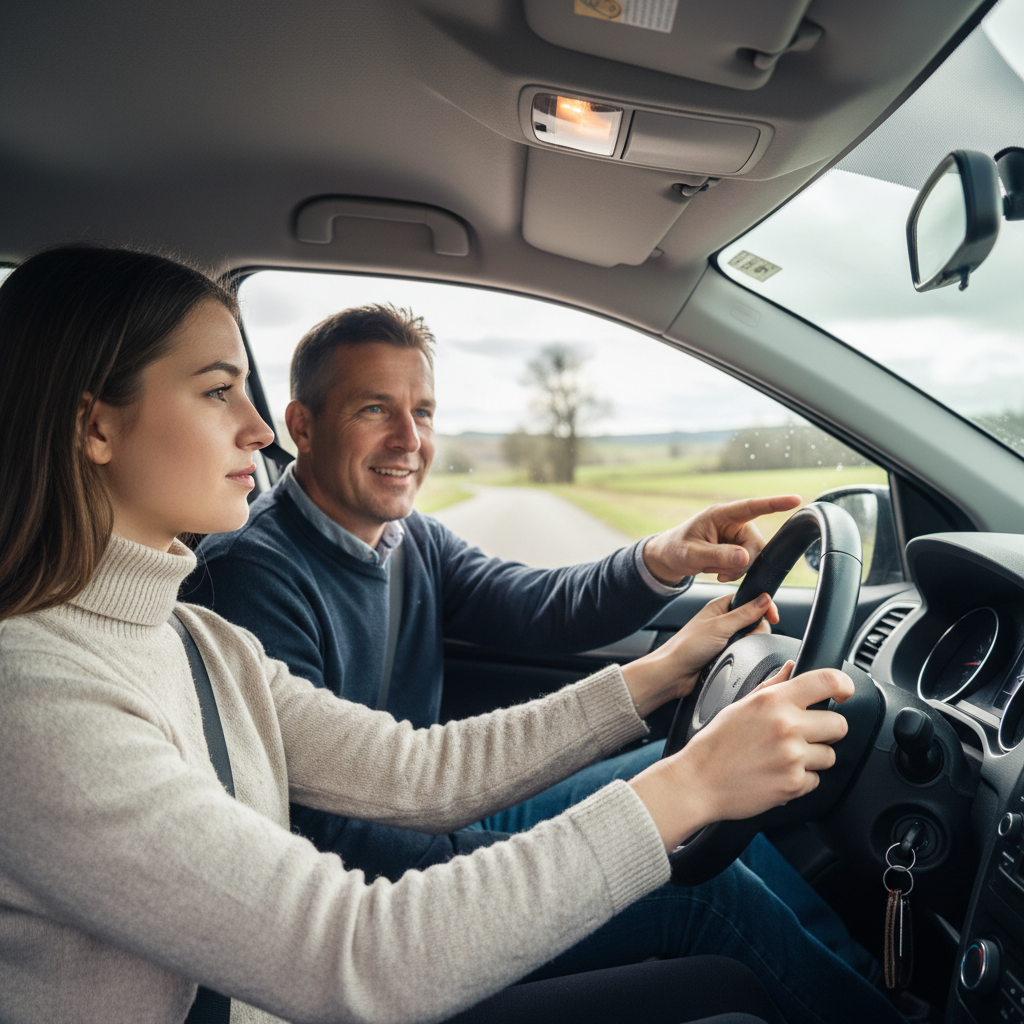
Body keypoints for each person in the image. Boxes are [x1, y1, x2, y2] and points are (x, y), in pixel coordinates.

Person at [0, 244, 905, 1024]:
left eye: (250, 390)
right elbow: (354, 953)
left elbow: (420, 772)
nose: (256, 425)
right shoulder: (38, 700)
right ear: (95, 426)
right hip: (352, 969)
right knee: (709, 904)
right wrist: (689, 786)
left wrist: (663, 674)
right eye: (217, 391)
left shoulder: (198, 640)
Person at [184, 304, 883, 993]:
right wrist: (539, 863)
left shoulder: (407, 539)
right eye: (375, 409)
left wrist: (664, 557)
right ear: (302, 426)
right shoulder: (252, 577)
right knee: (708, 887)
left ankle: (860, 987)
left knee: (706, 762)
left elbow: (536, 606)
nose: (408, 439)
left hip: (450, 811)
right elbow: (334, 834)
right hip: (392, 892)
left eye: (422, 412)